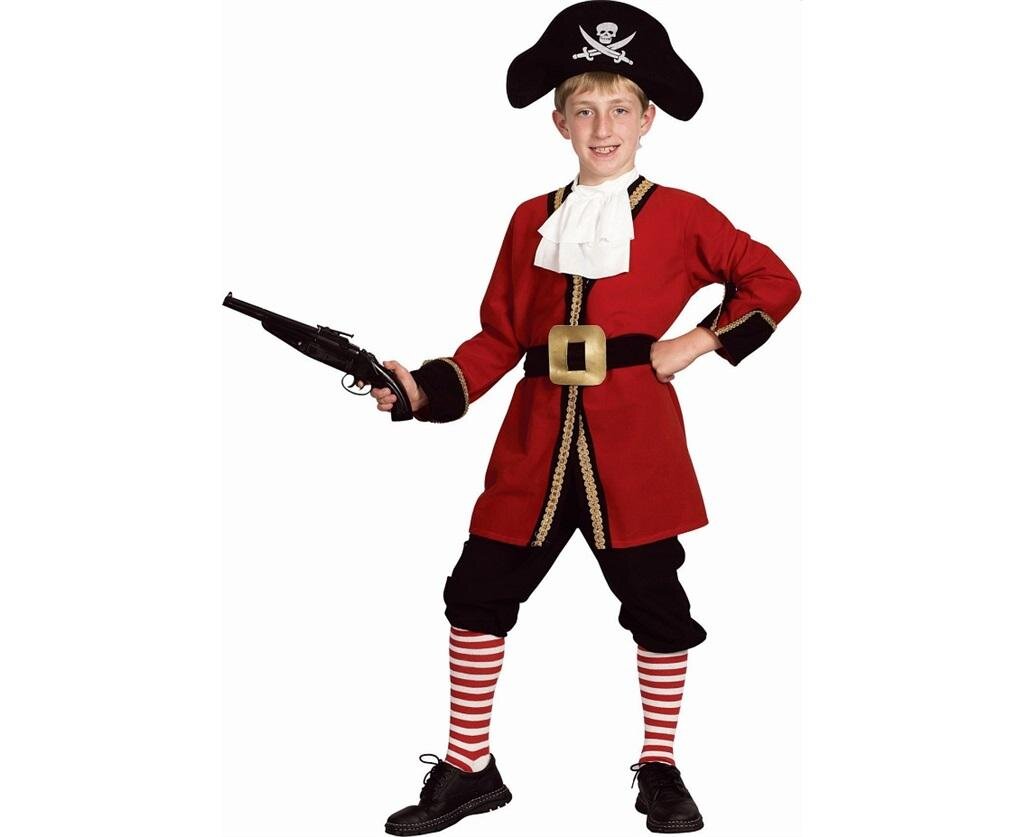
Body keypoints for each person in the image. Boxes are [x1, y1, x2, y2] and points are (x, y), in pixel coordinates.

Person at [357, 2, 801, 833]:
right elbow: (499, 337)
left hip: (635, 450)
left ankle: (660, 766)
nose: (604, 128)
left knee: (657, 606)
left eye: (620, 109)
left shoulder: (685, 214)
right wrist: (423, 390)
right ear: (559, 121)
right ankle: (469, 766)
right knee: (475, 594)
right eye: (585, 110)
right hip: (533, 449)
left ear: (648, 119)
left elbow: (774, 281)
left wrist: (697, 340)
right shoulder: (530, 217)